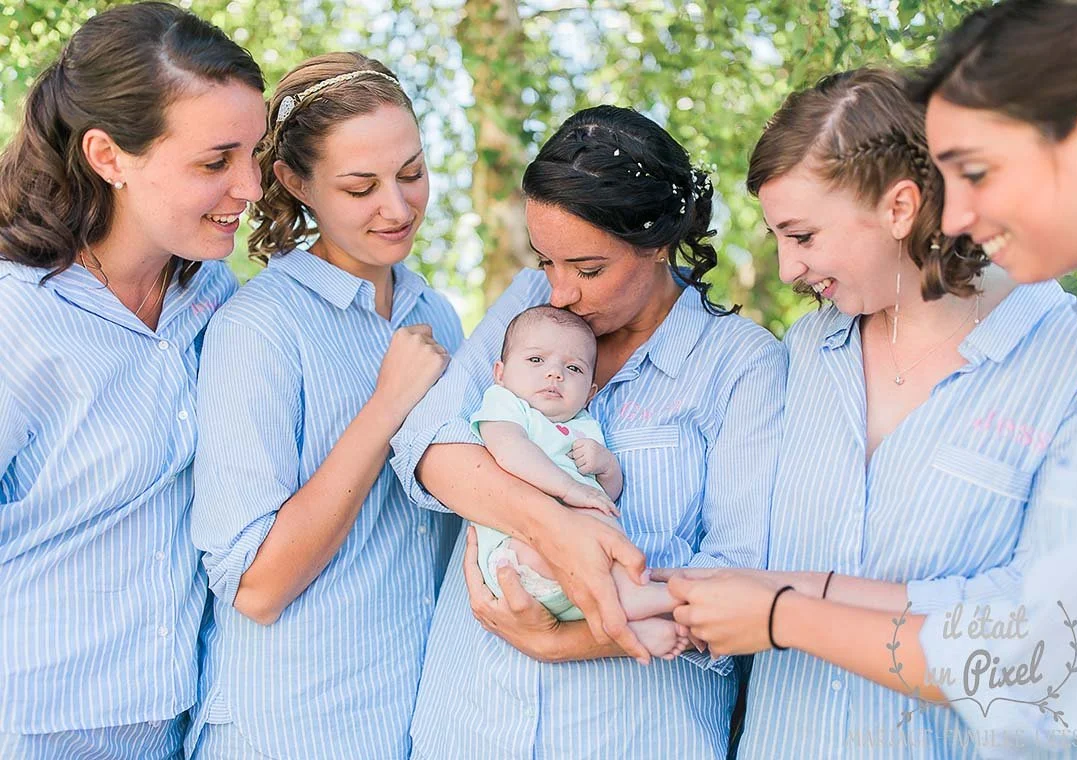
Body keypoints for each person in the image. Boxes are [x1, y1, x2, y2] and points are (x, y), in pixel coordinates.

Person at [660, 67, 1077, 759]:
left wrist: (793, 610)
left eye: (802, 236)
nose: (785, 269)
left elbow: (1038, 626)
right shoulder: (807, 351)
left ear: (900, 208)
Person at [390, 105, 786, 758]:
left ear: (658, 240)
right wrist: (554, 527)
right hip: (471, 722)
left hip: (633, 734)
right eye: (546, 260)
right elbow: (425, 440)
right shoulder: (528, 305)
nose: (561, 291)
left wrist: (559, 639)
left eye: (588, 268)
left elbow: (739, 576)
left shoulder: (739, 362)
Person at [0, 4, 265, 757]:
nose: (248, 186)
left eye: (254, 153)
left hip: (176, 721)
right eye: (216, 161)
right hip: (34, 725)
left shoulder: (216, 300)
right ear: (109, 156)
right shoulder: (17, 317)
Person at [186, 53, 461, 759]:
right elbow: (256, 587)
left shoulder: (438, 315)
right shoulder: (259, 328)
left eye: (412, 173)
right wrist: (387, 405)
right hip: (291, 726)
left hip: (415, 720)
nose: (397, 208)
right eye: (360, 186)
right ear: (294, 182)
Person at [470, 304, 685, 657]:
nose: (554, 374)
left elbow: (604, 495)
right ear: (501, 373)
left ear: (590, 392)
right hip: (518, 554)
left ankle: (636, 626)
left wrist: (607, 467)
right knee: (590, 533)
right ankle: (634, 600)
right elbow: (509, 451)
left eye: (572, 368)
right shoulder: (506, 406)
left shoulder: (583, 425)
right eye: (536, 361)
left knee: (601, 526)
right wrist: (571, 489)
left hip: (581, 577)